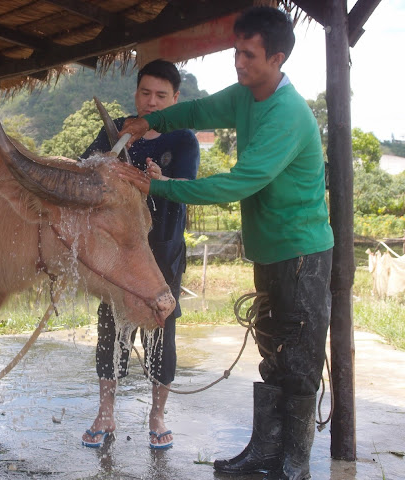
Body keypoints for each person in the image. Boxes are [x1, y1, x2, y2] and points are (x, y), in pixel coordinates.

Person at [116, 7, 333, 480]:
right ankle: (263, 453)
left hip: (302, 254)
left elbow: (236, 184)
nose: (238, 61)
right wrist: (145, 122)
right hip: (270, 251)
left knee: (297, 363)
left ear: (276, 58)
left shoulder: (288, 114)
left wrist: (160, 187)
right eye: (236, 50)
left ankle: (294, 466)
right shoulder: (244, 95)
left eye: (248, 54)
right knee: (273, 353)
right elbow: (196, 110)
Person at [80, 59, 200, 450]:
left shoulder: (183, 140)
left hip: (163, 250)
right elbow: (83, 171)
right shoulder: (115, 130)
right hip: (116, 255)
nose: (151, 102)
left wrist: (159, 182)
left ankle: (157, 414)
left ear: (175, 98)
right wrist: (109, 164)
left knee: (162, 326)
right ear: (136, 94)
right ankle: (105, 412)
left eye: (161, 96)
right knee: (110, 325)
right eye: (145, 93)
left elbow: (185, 188)